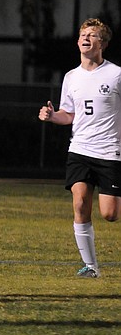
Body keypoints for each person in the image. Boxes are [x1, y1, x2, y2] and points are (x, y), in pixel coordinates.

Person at [38, 18, 121, 278]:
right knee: (80, 203)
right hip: (80, 150)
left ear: (103, 44)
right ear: (78, 41)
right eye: (83, 34)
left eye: (93, 35)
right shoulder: (71, 77)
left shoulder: (116, 74)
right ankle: (91, 267)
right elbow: (68, 114)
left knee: (110, 214)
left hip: (110, 151)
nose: (86, 38)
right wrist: (53, 116)